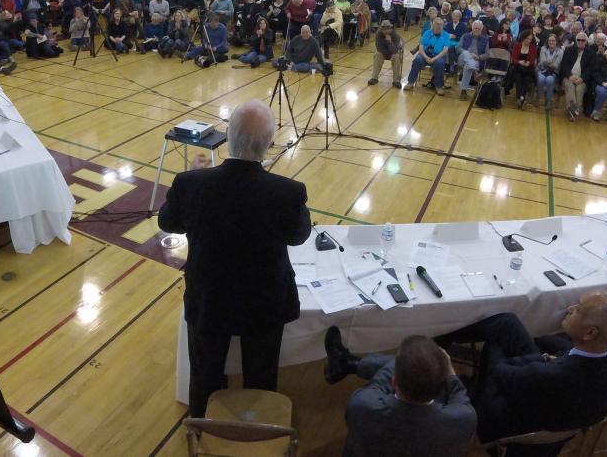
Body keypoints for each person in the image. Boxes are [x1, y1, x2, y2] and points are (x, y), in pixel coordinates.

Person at [157, 101, 312, 418]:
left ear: (227, 138)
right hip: (265, 302)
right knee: (262, 375)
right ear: (269, 144)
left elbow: (167, 222)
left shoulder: (191, 184)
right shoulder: (287, 192)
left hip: (210, 298)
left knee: (205, 375)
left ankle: (201, 427)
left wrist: (198, 184)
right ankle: (259, 430)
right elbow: (299, 236)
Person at [440, 292, 607, 452]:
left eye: (578, 310)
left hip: (506, 416)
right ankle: (443, 337)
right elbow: (554, 364)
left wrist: (540, 360)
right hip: (551, 399)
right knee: (508, 323)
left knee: (494, 346)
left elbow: (500, 372)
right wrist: (544, 358)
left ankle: (437, 343)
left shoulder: (550, 375)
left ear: (590, 333)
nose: (570, 308)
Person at [323, 330, 477, 457]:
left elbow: (378, 383)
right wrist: (447, 371)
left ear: (393, 382)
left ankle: (346, 364)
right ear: (442, 387)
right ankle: (346, 363)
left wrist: (407, 361)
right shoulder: (464, 420)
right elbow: (458, 392)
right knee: (419, 365)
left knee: (412, 363)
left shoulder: (361, 405)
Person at [405, 18, 453, 95]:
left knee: (440, 63)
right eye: (437, 27)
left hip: (439, 56)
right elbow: (421, 47)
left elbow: (445, 50)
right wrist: (426, 57)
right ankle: (410, 82)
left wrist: (434, 58)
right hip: (425, 54)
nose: (438, 29)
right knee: (417, 60)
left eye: (440, 27)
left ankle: (438, 86)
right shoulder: (427, 33)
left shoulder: (446, 35)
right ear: (433, 26)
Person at [559, 32, 591, 121]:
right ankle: (573, 109)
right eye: (578, 40)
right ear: (576, 40)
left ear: (586, 42)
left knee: (579, 89)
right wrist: (570, 76)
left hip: (582, 79)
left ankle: (573, 108)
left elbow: (590, 69)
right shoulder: (569, 50)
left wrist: (582, 78)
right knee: (570, 86)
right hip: (569, 77)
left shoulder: (590, 53)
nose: (580, 42)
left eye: (583, 40)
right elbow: (564, 65)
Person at [456, 19, 490, 101]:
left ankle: (463, 91)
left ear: (481, 30)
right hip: (462, 59)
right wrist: (468, 53)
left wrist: (478, 57)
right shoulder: (465, 36)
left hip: (476, 61)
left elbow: (487, 54)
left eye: (479, 28)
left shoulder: (485, 39)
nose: (477, 30)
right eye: (475, 28)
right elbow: (458, 48)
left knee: (468, 67)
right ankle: (475, 72)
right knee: (465, 53)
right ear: (472, 27)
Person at [368, 20, 404, 88]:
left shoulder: (395, 35)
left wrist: (390, 42)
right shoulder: (378, 34)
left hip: (393, 53)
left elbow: (395, 51)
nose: (386, 31)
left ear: (391, 28)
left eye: (388, 29)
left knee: (396, 57)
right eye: (384, 29)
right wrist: (387, 51)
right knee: (377, 55)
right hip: (384, 52)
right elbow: (379, 48)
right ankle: (374, 78)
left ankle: (396, 81)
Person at [536, 34, 562, 110]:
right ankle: (539, 97)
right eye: (550, 40)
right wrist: (549, 62)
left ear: (556, 41)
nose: (551, 42)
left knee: (549, 80)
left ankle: (548, 101)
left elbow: (556, 65)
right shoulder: (543, 49)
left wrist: (547, 62)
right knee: (541, 79)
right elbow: (542, 62)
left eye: (553, 40)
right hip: (542, 70)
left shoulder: (560, 51)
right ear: (547, 41)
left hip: (554, 72)